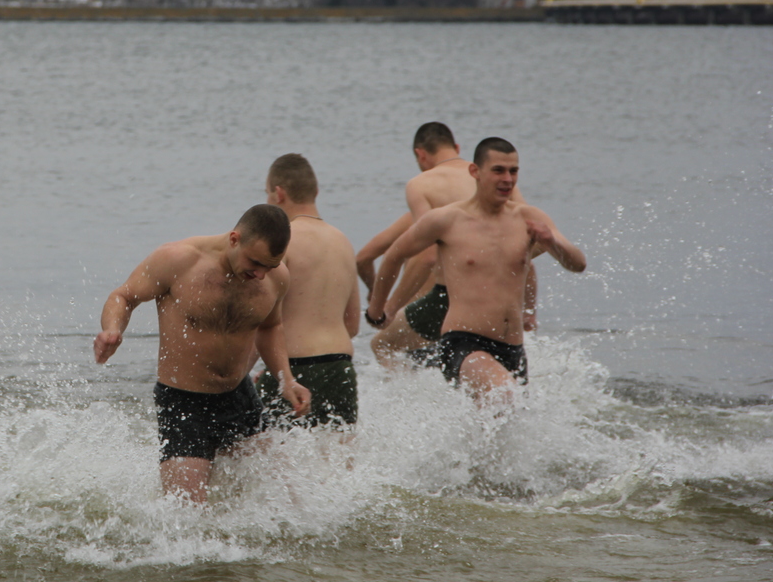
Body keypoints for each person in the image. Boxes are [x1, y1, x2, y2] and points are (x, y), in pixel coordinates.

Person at [93, 204, 312, 502]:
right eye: (255, 262)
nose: (260, 275)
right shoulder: (178, 260)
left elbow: (270, 328)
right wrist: (112, 329)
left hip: (239, 396)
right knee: (187, 516)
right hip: (184, 402)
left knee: (282, 502)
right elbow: (124, 296)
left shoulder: (276, 278)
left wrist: (286, 380)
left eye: (270, 266)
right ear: (235, 239)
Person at [367, 138, 585, 400]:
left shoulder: (529, 219)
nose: (507, 179)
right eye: (498, 170)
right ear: (475, 172)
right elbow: (394, 255)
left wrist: (551, 242)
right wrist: (378, 310)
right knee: (502, 395)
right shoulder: (447, 220)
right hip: (464, 342)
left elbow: (577, 264)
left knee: (505, 424)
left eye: (513, 171)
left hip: (513, 348)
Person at [364, 122, 534, 368]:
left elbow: (427, 257)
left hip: (449, 297)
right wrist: (529, 309)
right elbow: (530, 243)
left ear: (420, 154)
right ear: (456, 147)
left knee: (382, 345)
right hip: (503, 295)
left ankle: (415, 401)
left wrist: (388, 309)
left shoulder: (421, 184)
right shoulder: (496, 177)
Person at [257, 154, 360, 427]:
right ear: (315, 190)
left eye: (266, 193)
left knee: (271, 462)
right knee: (341, 462)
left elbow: (260, 319)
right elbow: (352, 324)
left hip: (293, 369)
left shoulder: (283, 241)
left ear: (278, 194)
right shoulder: (343, 242)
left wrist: (270, 370)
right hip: (340, 367)